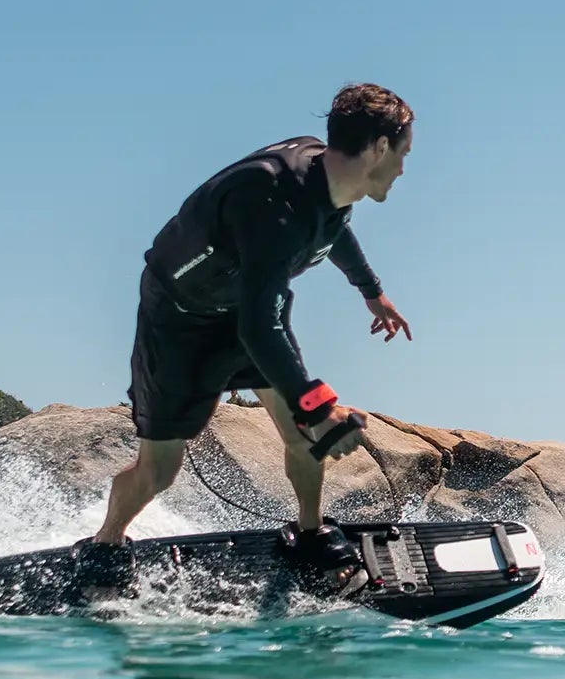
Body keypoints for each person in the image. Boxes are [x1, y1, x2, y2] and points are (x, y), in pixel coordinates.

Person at [74, 83, 416, 584]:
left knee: (302, 436)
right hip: (180, 321)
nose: (405, 168)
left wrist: (371, 291)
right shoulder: (272, 204)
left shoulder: (332, 179)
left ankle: (310, 532)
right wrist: (320, 408)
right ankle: (104, 546)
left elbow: (334, 226)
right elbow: (260, 326)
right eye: (404, 153)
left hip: (247, 309)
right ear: (380, 148)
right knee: (159, 471)